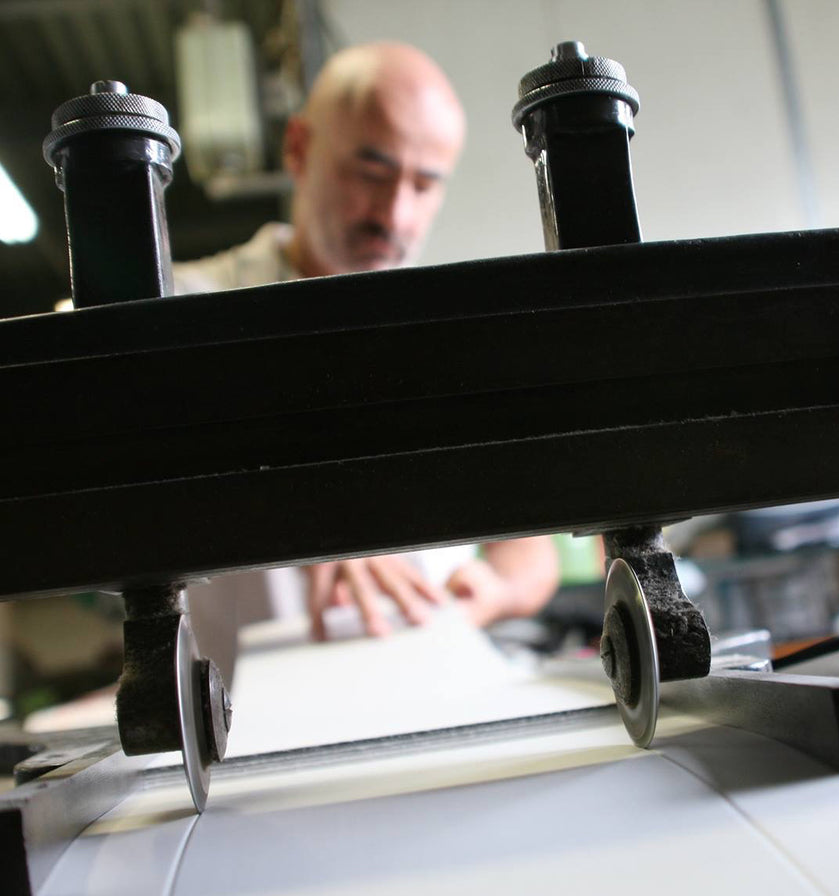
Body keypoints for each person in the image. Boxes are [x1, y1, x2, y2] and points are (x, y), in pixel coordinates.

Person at [176, 42, 559, 645]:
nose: (396, 215)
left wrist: (498, 590)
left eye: (425, 185)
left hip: (436, 697)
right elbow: (68, 410)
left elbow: (529, 551)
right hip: (248, 720)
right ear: (299, 148)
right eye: (371, 173)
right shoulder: (185, 305)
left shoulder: (454, 344)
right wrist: (304, 518)